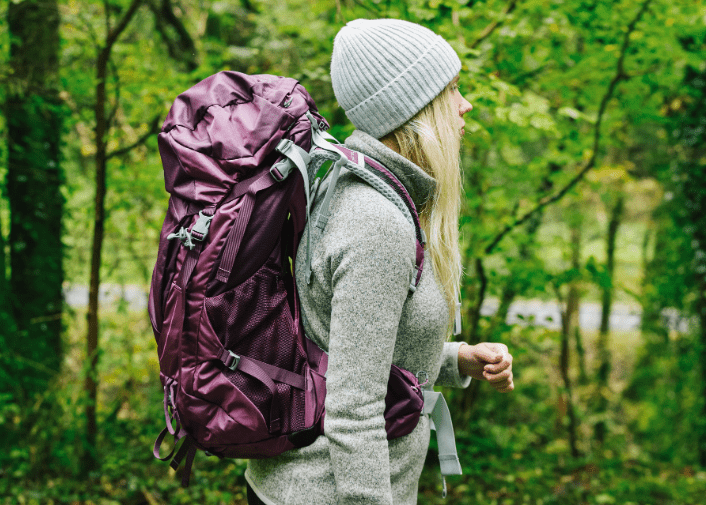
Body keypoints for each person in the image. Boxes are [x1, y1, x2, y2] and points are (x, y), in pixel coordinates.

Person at [244, 18, 515, 505]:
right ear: (413, 109)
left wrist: (456, 359)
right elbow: (354, 412)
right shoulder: (376, 221)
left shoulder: (352, 186)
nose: (465, 104)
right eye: (452, 90)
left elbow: (344, 349)